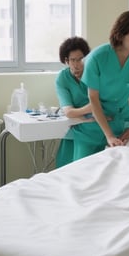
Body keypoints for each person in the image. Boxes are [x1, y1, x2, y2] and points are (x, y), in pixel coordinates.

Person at [76, 10, 129, 157]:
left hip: (122, 123)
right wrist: (109, 135)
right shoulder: (98, 57)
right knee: (83, 172)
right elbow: (93, 98)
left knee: (118, 171)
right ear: (120, 35)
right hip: (93, 123)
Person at [54, 36, 92, 167]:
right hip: (75, 126)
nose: (77, 64)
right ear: (66, 61)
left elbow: (106, 104)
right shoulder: (62, 78)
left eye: (81, 59)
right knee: (65, 168)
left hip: (95, 127)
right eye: (72, 60)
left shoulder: (94, 73)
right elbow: (69, 112)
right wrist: (92, 109)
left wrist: (84, 113)